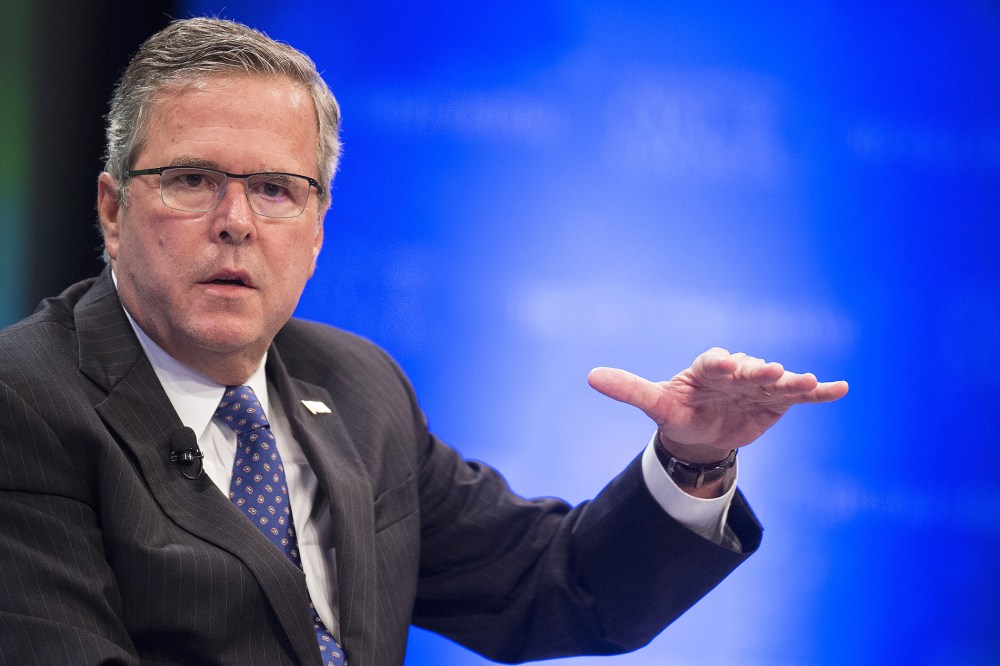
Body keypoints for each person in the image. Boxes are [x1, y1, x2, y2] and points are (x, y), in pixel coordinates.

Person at [0, 17, 848, 666]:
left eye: (276, 190)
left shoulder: (357, 387)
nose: (236, 223)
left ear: (317, 230)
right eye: (193, 180)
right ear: (113, 211)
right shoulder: (25, 403)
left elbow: (556, 587)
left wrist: (692, 459)